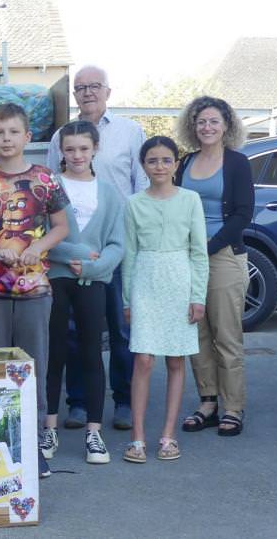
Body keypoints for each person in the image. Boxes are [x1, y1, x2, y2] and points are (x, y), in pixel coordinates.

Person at [0, 103, 69, 478]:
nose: (6, 139)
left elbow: (60, 227)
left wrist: (38, 248)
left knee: (32, 368)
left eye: (13, 132)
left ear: (27, 137)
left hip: (35, 290)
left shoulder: (46, 179)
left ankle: (33, 444)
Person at [46, 65, 147, 431]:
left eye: (94, 86)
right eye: (80, 87)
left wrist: (110, 253)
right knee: (73, 333)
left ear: (108, 90)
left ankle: (121, 400)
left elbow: (140, 187)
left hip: (112, 248)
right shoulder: (61, 135)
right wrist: (69, 253)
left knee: (119, 329)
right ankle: (77, 403)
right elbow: (49, 201)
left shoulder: (129, 131)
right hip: (68, 258)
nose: (87, 92)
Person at [41, 121, 125, 465]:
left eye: (83, 149)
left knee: (92, 352)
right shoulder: (49, 186)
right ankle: (49, 428)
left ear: (95, 150)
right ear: (61, 151)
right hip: (56, 279)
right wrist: (74, 255)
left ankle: (94, 432)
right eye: (70, 149)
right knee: (53, 354)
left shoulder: (108, 192)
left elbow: (118, 243)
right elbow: (41, 234)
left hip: (94, 281)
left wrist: (93, 266)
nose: (77, 155)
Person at [122, 136, 208, 464]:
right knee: (143, 359)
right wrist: (128, 299)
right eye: (152, 160)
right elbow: (129, 254)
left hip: (179, 279)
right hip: (145, 278)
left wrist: (197, 296)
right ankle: (137, 438)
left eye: (166, 160)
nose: (159, 166)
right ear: (143, 166)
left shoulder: (190, 200)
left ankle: (168, 435)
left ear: (175, 164)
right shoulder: (134, 203)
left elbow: (199, 252)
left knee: (175, 360)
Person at [176, 96, 253, 437]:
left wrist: (208, 247)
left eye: (213, 121)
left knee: (226, 334)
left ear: (226, 126)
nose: (207, 127)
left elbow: (242, 214)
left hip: (223, 256)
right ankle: (207, 402)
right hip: (188, 257)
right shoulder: (185, 162)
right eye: (201, 121)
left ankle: (233, 407)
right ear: (193, 126)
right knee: (198, 332)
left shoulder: (237, 163)